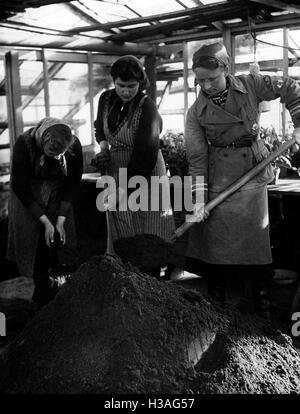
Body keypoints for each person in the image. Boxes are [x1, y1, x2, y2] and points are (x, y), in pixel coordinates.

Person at [185, 42, 300, 316]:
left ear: (226, 69)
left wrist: (299, 123)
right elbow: (197, 159)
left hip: (254, 173)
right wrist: (199, 200)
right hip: (220, 178)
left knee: (254, 241)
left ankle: (261, 308)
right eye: (200, 80)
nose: (206, 85)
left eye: (211, 78)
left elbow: (291, 88)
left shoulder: (251, 84)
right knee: (216, 243)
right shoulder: (195, 113)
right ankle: (215, 307)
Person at [94, 55, 175, 278]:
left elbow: (145, 153)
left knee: (149, 225)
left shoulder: (146, 106)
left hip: (146, 172)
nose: (126, 91)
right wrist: (103, 149)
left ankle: (153, 281)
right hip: (117, 168)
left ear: (140, 84)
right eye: (121, 85)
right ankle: (130, 281)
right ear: (113, 82)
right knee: (123, 227)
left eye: (132, 86)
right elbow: (99, 129)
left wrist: (123, 189)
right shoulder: (105, 99)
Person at [7, 117, 83, 308]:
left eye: (59, 154)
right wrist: (45, 222)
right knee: (35, 242)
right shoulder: (24, 144)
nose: (54, 156)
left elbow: (73, 182)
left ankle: (60, 290)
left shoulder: (74, 145)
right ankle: (40, 294)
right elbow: (20, 185)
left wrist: (59, 220)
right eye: (51, 151)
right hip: (28, 195)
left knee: (62, 239)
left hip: (57, 192)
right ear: (44, 139)